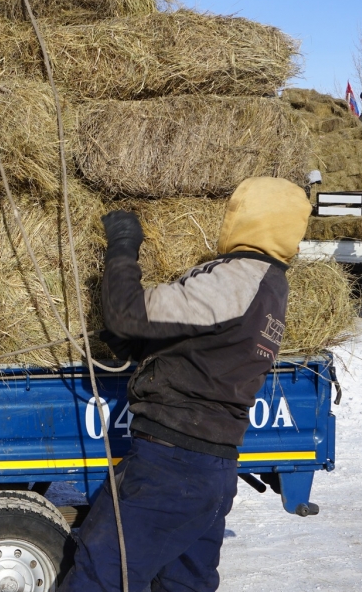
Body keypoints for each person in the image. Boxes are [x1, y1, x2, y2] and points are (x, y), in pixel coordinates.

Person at [60, 177, 312, 592]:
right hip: (210, 469)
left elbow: (126, 312)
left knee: (100, 575)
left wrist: (123, 245)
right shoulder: (271, 284)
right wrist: (143, 344)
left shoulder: (237, 278)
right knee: (183, 584)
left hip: (171, 467)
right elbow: (209, 346)